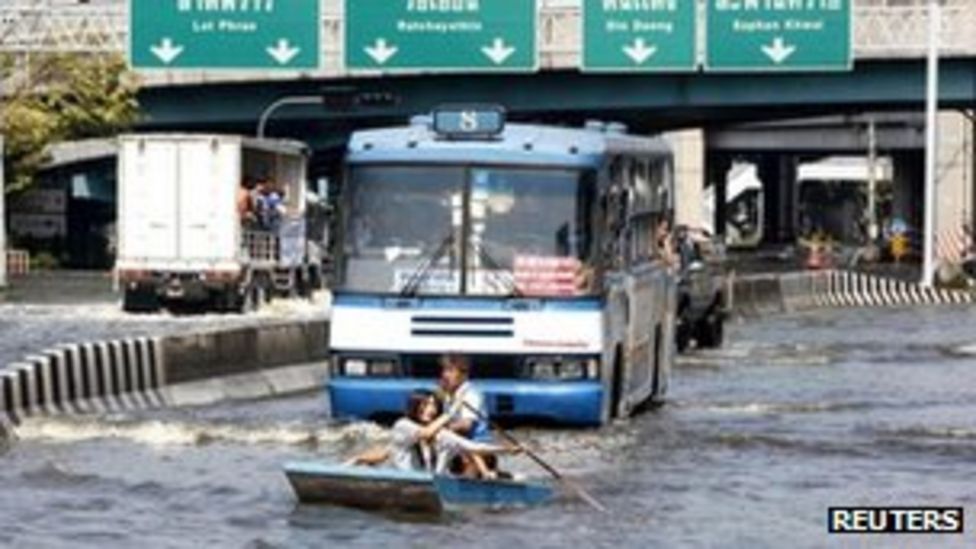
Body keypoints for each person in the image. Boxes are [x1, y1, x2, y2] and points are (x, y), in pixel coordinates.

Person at [349, 389, 516, 477]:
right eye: (424, 406)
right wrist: (451, 412)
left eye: (433, 405)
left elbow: (473, 447)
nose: (429, 410)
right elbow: (425, 434)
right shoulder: (403, 425)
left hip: (431, 483)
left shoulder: (442, 434)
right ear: (414, 408)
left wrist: (506, 450)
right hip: (406, 480)